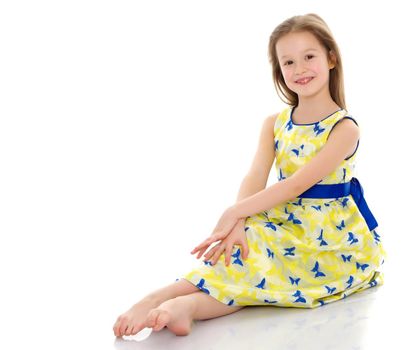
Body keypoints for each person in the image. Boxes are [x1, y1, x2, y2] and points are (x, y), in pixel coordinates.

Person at [113, 12, 386, 338]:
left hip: (327, 237)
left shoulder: (344, 129)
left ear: (330, 58)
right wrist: (238, 224)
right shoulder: (274, 122)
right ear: (278, 70)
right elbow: (254, 177)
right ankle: (161, 297)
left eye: (309, 57)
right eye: (288, 62)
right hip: (283, 220)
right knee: (243, 250)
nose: (299, 69)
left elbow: (298, 183)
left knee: (265, 270)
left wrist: (233, 213)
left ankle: (188, 306)